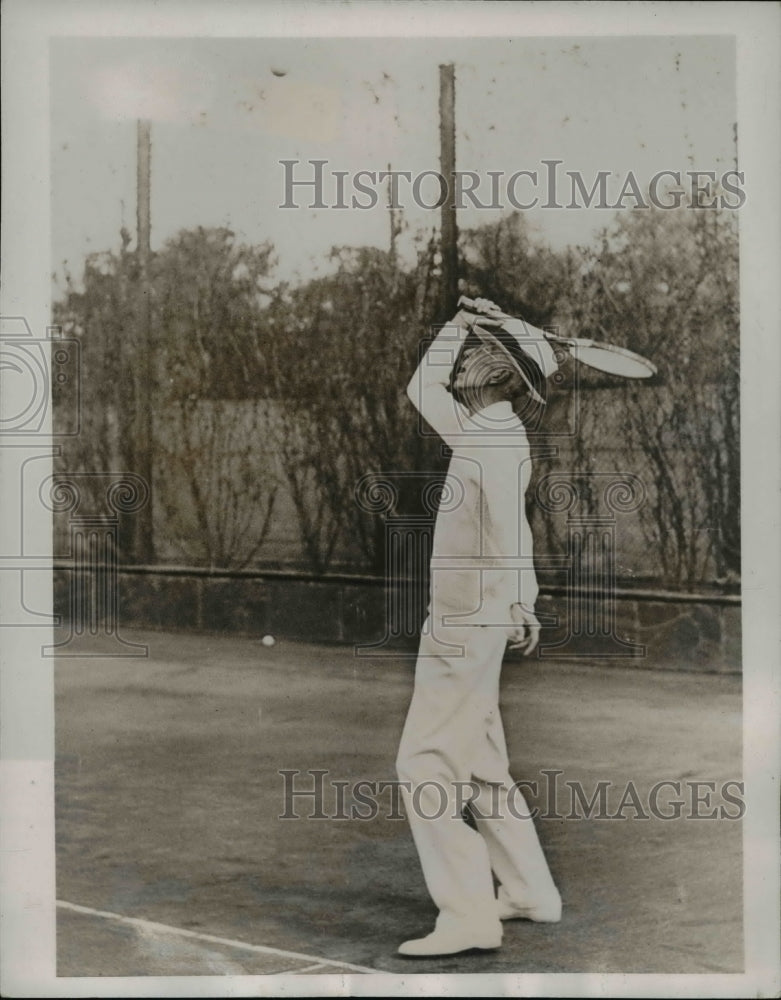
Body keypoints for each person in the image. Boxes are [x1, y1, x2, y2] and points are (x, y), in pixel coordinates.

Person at [396, 297, 562, 957]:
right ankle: (527, 890)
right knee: (484, 762)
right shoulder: (486, 427)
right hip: (473, 617)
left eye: (474, 351)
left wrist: (521, 599)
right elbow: (421, 387)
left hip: (466, 622)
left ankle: (468, 916)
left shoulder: (492, 435)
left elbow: (508, 526)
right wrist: (461, 324)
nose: (461, 361)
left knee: (424, 764)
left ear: (498, 370)